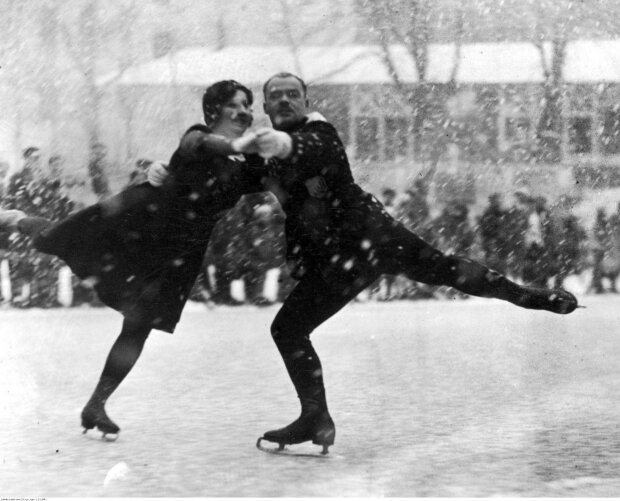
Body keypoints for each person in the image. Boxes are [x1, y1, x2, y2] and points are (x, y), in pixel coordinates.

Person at [151, 72, 579, 455]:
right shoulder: (261, 157)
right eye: (275, 96)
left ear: (304, 100)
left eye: (292, 94)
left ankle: (528, 295)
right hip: (338, 262)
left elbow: (313, 149)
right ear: (265, 107)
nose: (284, 101)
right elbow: (222, 185)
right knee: (287, 328)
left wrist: (284, 143)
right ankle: (315, 417)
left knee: (447, 269)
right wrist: (166, 176)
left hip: (374, 238)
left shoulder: (320, 131)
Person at [0, 80, 273, 438]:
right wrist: (241, 143)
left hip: (180, 249)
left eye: (248, 106)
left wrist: (258, 148)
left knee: (139, 325)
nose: (244, 112)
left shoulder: (244, 161)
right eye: (236, 105)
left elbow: (267, 176)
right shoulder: (198, 136)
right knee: (57, 240)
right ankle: (19, 219)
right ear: (213, 111)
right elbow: (202, 144)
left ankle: (96, 404)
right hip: (142, 219)